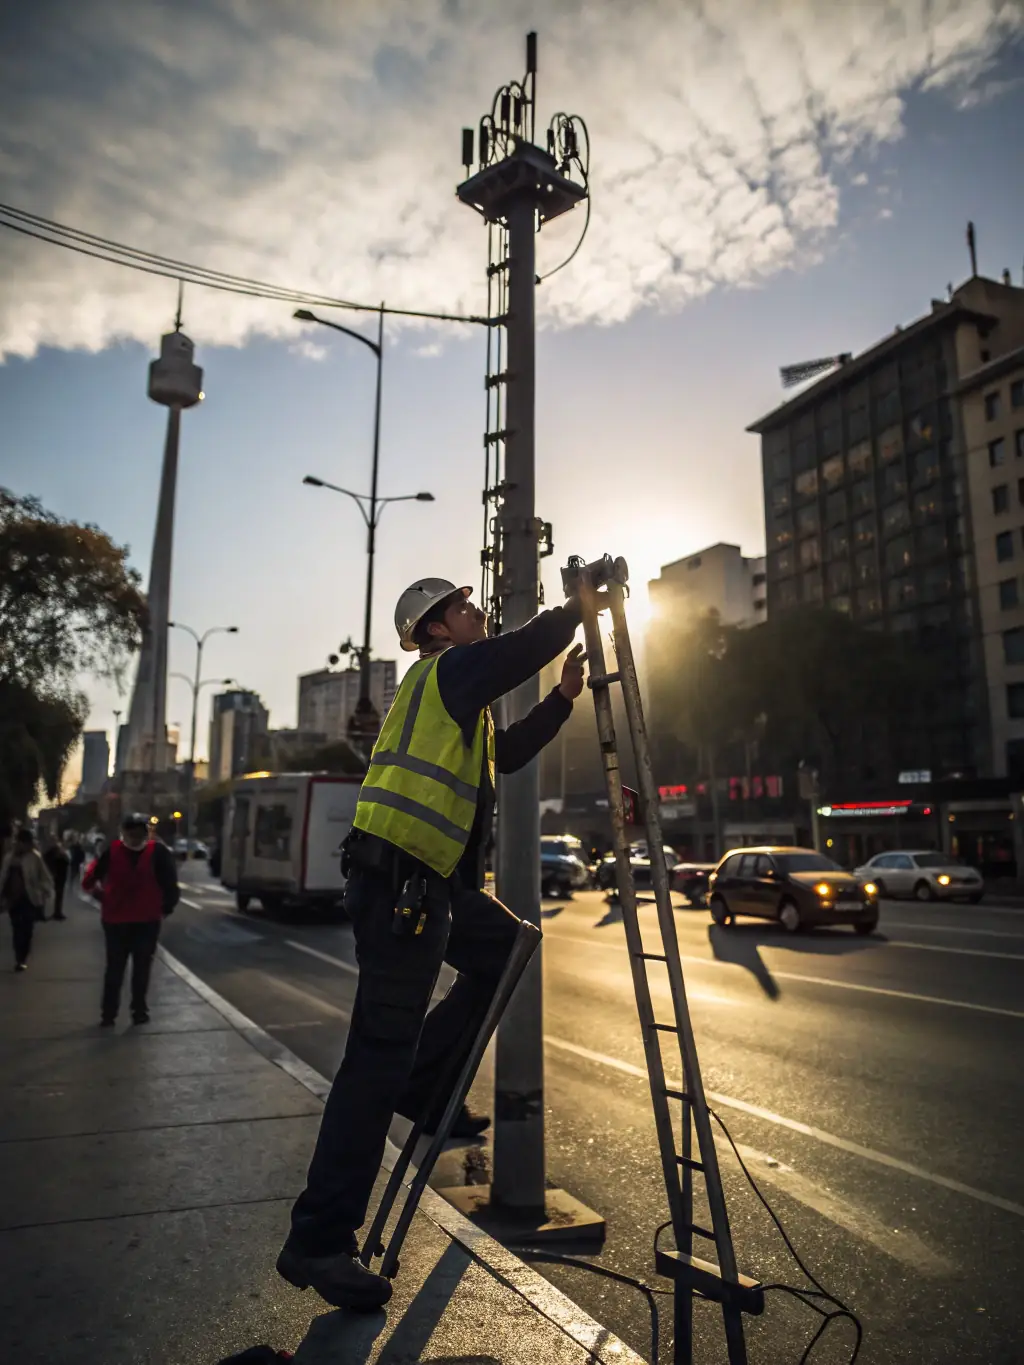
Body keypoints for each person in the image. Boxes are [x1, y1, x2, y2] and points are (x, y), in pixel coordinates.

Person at [277, 576, 586, 1311]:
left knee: (506, 949)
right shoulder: (446, 674)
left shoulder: (460, 703)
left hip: (430, 884)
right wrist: (578, 608)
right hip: (399, 884)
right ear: (436, 629)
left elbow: (509, 755)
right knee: (373, 1062)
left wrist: (562, 699)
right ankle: (319, 1239)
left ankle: (422, 1083)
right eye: (464, 607)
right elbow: (519, 650)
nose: (477, 614)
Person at [82, 813, 180, 1026]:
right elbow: (170, 883)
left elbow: (90, 879)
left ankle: (111, 1014)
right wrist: (166, 908)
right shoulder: (156, 852)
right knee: (137, 968)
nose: (134, 838)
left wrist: (102, 897)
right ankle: (136, 1011)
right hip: (141, 920)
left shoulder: (115, 851)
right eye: (132, 833)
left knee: (117, 968)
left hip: (123, 920)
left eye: (137, 834)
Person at [0, 828, 54, 970]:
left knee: (27, 929)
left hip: (29, 898)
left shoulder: (35, 857)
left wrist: (41, 890)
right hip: (13, 899)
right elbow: (3, 878)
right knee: (16, 928)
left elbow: (46, 878)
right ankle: (19, 958)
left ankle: (23, 957)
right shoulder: (9, 858)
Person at [43, 836, 71, 921]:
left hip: (58, 875)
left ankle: (56, 912)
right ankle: (55, 912)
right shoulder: (51, 853)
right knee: (51, 894)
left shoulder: (54, 852)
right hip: (56, 875)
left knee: (57, 894)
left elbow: (67, 861)